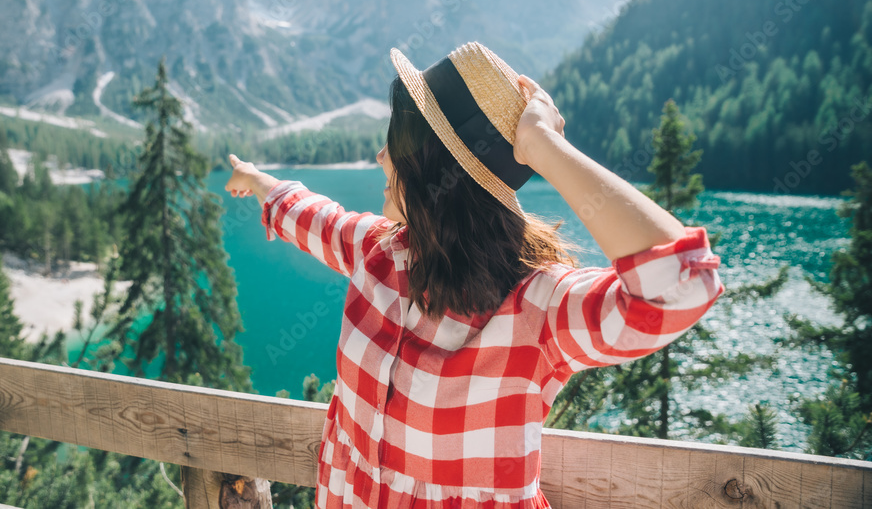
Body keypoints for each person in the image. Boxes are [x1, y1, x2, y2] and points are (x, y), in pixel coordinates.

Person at [224, 42, 724, 509]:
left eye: (393, 143)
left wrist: (542, 144)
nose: (380, 157)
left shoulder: (535, 308)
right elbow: (310, 212)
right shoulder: (377, 249)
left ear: (429, 169)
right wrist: (256, 180)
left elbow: (681, 286)